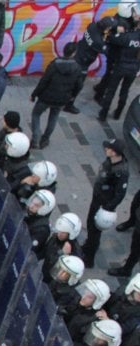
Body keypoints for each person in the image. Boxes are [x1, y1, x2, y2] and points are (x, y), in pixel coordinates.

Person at [81, 138, 129, 268]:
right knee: (91, 225)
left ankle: (89, 258)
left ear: (114, 152)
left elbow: (120, 194)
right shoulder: (111, 161)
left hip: (103, 204)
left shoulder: (121, 171)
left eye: (109, 148)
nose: (106, 149)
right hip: (98, 198)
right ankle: (87, 246)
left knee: (95, 230)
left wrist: (107, 208)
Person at [30, 42, 83, 150]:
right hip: (62, 99)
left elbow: (44, 81)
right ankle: (45, 139)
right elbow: (79, 85)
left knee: (36, 114)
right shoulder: (77, 68)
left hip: (46, 97)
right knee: (53, 118)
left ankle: (35, 139)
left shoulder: (54, 65)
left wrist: (34, 94)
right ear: (74, 53)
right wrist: (72, 96)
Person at [98, 20, 140, 121]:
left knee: (111, 90)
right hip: (133, 69)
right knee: (124, 91)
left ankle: (103, 114)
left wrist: (116, 32)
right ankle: (118, 113)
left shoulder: (129, 36)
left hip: (121, 66)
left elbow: (112, 39)